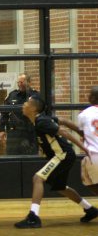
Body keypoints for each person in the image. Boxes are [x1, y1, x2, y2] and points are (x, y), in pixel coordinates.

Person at [14, 96, 97, 228]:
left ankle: (33, 217)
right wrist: (80, 132)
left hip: (62, 155)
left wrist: (83, 147)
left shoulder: (42, 121)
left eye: (27, 103)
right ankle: (90, 210)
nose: (23, 104)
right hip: (63, 155)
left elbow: (63, 131)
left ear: (34, 108)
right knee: (59, 187)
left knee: (37, 178)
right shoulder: (41, 120)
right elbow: (64, 121)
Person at [58, 86, 98, 217]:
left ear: (91, 97)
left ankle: (90, 209)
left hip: (93, 154)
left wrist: (65, 122)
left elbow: (82, 132)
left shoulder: (84, 114)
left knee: (88, 182)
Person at [0, 73, 38, 155]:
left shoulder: (35, 96)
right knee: (11, 159)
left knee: (30, 160)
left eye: (22, 82)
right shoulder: (12, 95)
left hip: (29, 133)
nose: (20, 85)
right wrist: (1, 129)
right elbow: (4, 112)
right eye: (18, 82)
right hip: (14, 134)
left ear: (29, 82)